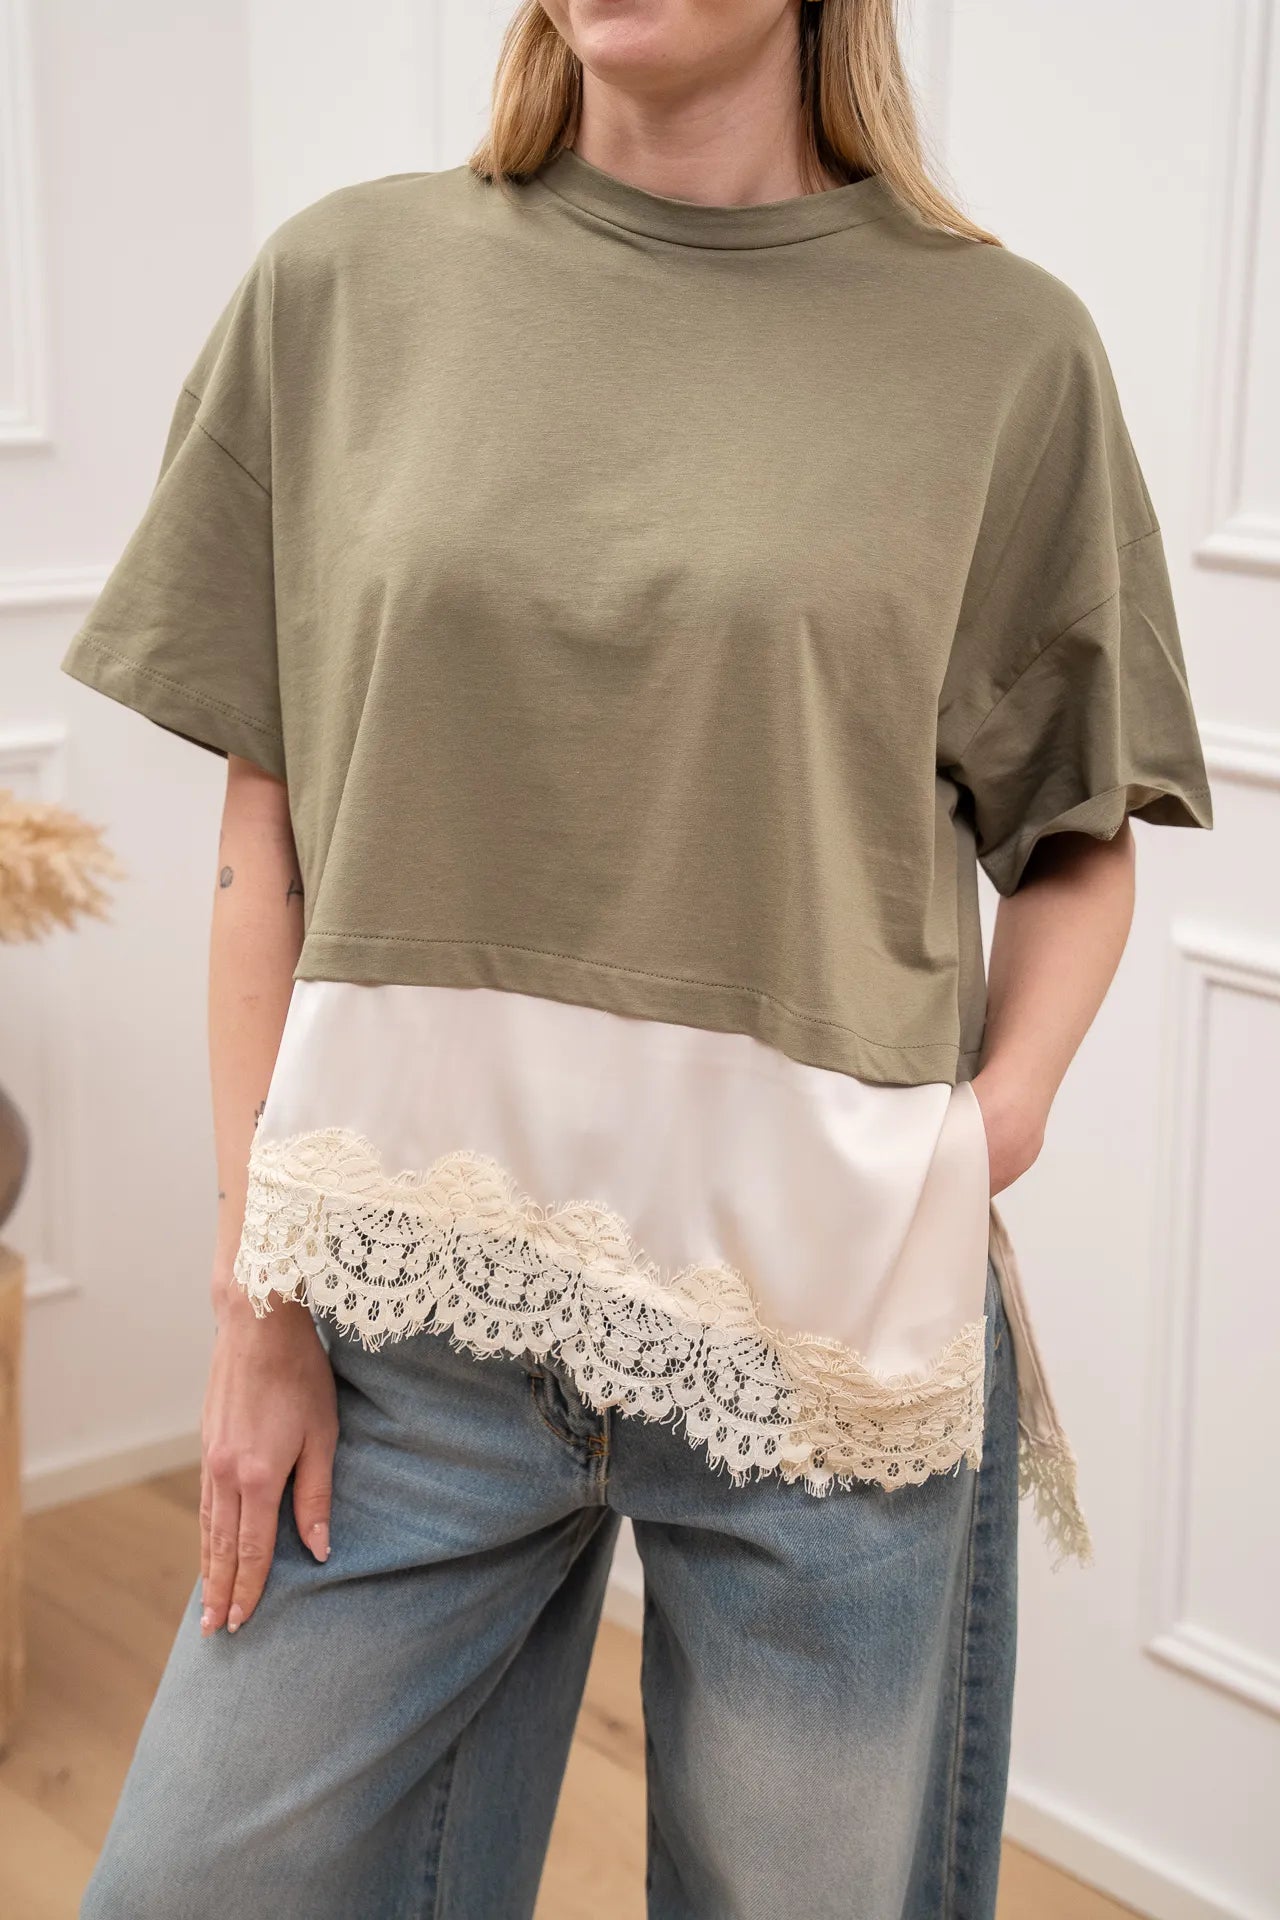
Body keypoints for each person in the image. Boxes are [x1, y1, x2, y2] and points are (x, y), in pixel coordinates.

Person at [62, 2, 1213, 1915]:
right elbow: (265, 840)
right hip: (402, 1333)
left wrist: (985, 1132)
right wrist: (255, 1296)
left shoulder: (1005, 353)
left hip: (820, 1337)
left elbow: (1082, 831)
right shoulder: (344, 287)